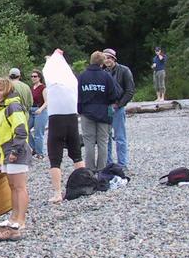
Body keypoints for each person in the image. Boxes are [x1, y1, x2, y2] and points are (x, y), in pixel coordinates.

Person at [0, 77, 31, 241]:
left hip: (15, 149)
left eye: (0, 90)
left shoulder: (13, 106)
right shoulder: (0, 107)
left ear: (7, 91)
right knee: (12, 186)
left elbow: (21, 130)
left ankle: (21, 219)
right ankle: (13, 216)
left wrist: (15, 150)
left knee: (19, 186)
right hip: (5, 149)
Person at [44, 49, 85, 203]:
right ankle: (84, 183)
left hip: (56, 119)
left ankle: (57, 193)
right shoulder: (71, 80)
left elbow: (48, 71)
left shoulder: (53, 80)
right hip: (72, 119)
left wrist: (49, 60)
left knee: (55, 158)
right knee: (76, 154)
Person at [78, 52, 122, 171]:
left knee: (89, 142)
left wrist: (80, 110)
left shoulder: (82, 76)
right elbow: (114, 95)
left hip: (86, 112)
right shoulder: (106, 76)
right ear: (102, 63)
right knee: (103, 142)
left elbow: (77, 95)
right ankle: (102, 169)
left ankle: (90, 168)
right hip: (103, 112)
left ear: (91, 61)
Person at [103, 48, 135, 170]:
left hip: (118, 107)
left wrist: (119, 104)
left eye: (110, 58)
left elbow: (130, 90)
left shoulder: (124, 70)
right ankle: (108, 162)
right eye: (105, 58)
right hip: (105, 108)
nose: (107, 60)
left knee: (120, 136)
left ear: (114, 59)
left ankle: (122, 163)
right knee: (106, 137)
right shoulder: (102, 71)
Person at [28, 69, 48, 159]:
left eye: (35, 76)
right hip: (31, 110)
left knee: (38, 133)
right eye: (32, 76)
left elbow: (47, 101)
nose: (33, 78)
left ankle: (40, 153)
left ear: (39, 77)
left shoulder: (43, 88)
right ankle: (34, 148)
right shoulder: (32, 88)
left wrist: (40, 109)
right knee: (24, 130)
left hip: (40, 110)